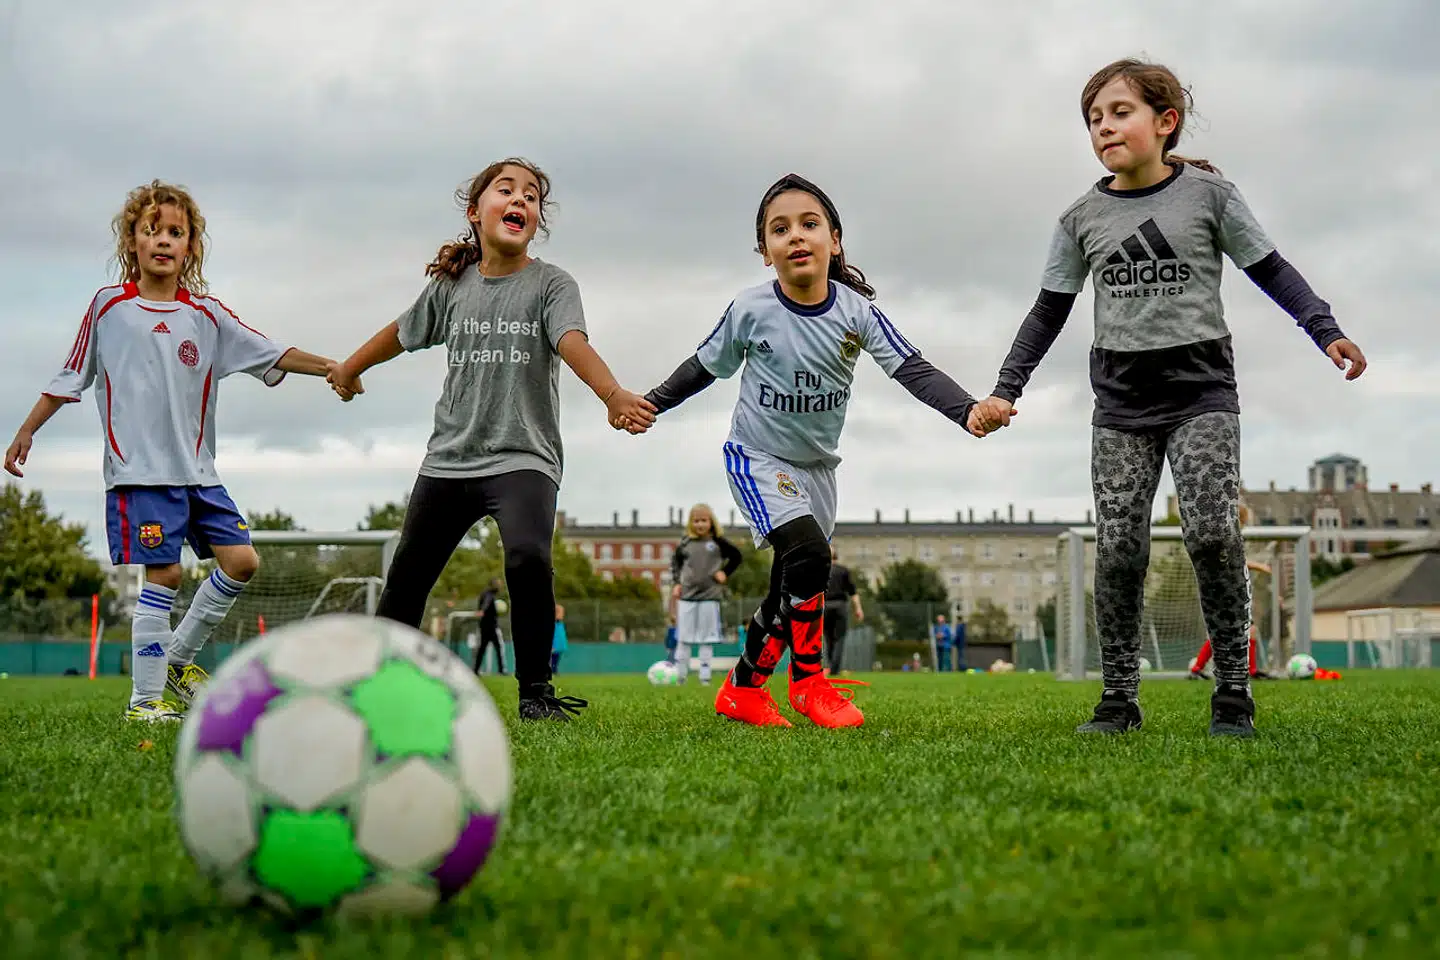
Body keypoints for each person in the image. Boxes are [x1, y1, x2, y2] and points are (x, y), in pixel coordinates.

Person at [970, 59, 1367, 737]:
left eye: (1119, 112)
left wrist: (1323, 329)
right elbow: (1047, 312)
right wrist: (1006, 389)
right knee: (1121, 549)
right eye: (1093, 119)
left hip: (1201, 392)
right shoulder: (1079, 219)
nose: (1104, 127)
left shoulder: (1210, 196)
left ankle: (1234, 693)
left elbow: (1271, 269)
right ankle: (1119, 701)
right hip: (1121, 405)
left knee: (1213, 532)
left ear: (1165, 121)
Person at [632, 173, 988, 728]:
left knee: (789, 587)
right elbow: (704, 365)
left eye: (808, 224)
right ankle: (808, 681)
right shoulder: (750, 309)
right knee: (810, 558)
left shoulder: (856, 313)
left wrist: (966, 408)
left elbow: (911, 367)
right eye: (780, 229)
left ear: (835, 240)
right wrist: (651, 402)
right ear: (765, 251)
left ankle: (744, 689)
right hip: (757, 457)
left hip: (818, 470)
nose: (795, 235)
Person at [327, 158, 656, 721]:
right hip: (449, 459)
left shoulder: (551, 284)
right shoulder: (452, 285)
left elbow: (572, 340)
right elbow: (401, 333)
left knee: (528, 557)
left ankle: (536, 695)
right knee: (407, 575)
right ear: (475, 212)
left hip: (522, 456)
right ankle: (380, 685)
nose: (521, 201)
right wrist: (349, 367)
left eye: (532, 196)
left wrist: (612, 394)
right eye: (507, 190)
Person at [3, 180, 340, 722]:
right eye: (151, 230)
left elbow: (274, 351)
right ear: (131, 242)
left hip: (199, 474)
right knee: (165, 576)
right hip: (139, 473)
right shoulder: (108, 306)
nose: (163, 240)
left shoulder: (207, 316)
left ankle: (179, 658)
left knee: (242, 561)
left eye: (175, 232)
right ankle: (144, 703)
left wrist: (334, 367)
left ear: (191, 247)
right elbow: (71, 375)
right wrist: (27, 429)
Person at [670, 503, 743, 685]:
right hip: (687, 597)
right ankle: (680, 676)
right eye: (696, 521)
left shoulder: (718, 542)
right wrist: (677, 583)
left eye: (704, 520)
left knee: (706, 639)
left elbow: (737, 557)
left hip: (710, 597)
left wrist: (725, 572)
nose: (700, 524)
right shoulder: (686, 543)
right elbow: (676, 563)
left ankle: (705, 677)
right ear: (690, 523)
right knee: (683, 638)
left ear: (711, 522)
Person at [822, 545, 863, 675]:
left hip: (824, 606)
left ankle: (832, 667)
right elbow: (853, 592)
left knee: (828, 638)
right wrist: (858, 609)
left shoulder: (820, 570)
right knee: (839, 638)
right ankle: (834, 669)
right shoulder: (843, 571)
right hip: (840, 605)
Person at [474, 577, 507, 675]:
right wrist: (482, 610)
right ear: (494, 585)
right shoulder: (489, 594)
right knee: (498, 647)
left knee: (482, 648)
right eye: (499, 584)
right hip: (491, 627)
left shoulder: (486, 593)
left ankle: (476, 669)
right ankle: (501, 670)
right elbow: (486, 603)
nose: (500, 586)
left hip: (484, 626)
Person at [551, 603, 568, 674]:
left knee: (556, 656)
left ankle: (554, 670)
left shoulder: (560, 625)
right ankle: (552, 670)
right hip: (554, 644)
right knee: (553, 657)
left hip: (558, 644)